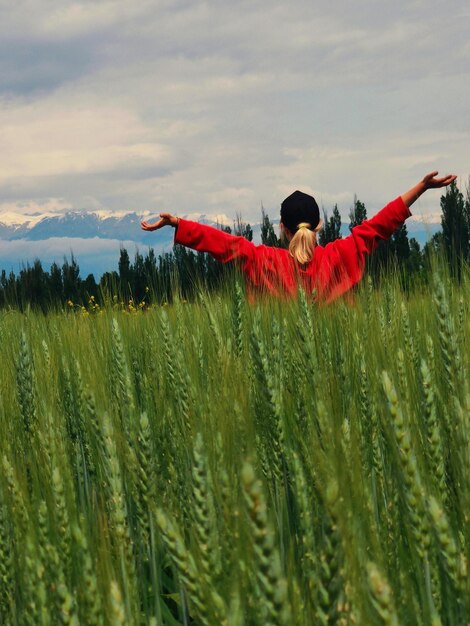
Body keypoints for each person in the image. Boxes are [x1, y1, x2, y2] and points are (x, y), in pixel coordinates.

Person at [141, 172, 456, 302]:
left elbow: (225, 244)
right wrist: (422, 188)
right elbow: (377, 226)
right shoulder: (341, 255)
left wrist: (178, 224)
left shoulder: (263, 261)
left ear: (281, 228)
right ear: (319, 226)